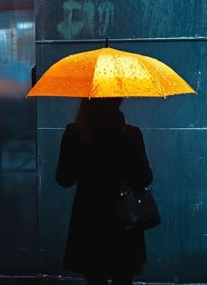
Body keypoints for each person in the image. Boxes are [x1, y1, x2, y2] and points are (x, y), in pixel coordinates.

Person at [56, 97, 153, 285]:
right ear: (118, 100)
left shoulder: (75, 134)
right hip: (124, 220)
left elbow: (63, 179)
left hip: (89, 222)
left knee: (94, 277)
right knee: (123, 277)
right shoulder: (131, 135)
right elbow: (145, 178)